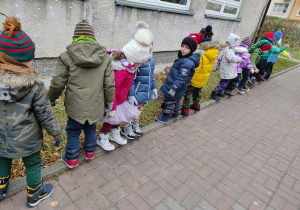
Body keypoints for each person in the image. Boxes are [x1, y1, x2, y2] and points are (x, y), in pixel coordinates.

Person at [0, 12, 62, 208]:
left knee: (2, 157)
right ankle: (35, 194)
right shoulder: (35, 86)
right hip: (28, 139)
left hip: (1, 135)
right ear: (22, 61)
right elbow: (45, 113)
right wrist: (56, 132)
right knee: (33, 164)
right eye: (30, 59)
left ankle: (1, 187)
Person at [48, 20, 115, 168]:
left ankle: (71, 159)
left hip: (75, 104)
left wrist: (51, 98)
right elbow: (109, 83)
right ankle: (90, 153)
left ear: (75, 38)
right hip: (95, 103)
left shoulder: (66, 56)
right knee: (91, 126)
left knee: (73, 130)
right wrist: (110, 102)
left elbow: (58, 82)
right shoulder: (105, 58)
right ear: (93, 38)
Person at [97, 21, 152, 151]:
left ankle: (114, 134)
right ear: (133, 59)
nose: (142, 64)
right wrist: (112, 107)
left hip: (121, 100)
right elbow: (113, 89)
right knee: (110, 120)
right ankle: (102, 137)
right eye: (141, 61)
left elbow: (126, 87)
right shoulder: (120, 71)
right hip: (113, 102)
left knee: (118, 120)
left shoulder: (129, 68)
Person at [155, 36, 203, 123]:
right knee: (176, 101)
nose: (183, 49)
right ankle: (176, 114)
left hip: (175, 86)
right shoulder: (185, 59)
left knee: (169, 101)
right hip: (177, 86)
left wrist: (174, 88)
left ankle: (165, 117)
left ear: (191, 50)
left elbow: (182, 78)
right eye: (182, 46)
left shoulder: (187, 62)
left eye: (187, 48)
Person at [124, 25, 157, 139]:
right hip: (136, 92)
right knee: (131, 111)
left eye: (151, 44)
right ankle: (127, 127)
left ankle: (135, 124)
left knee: (138, 111)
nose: (149, 46)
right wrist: (131, 94)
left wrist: (153, 87)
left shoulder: (151, 58)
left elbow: (151, 75)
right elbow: (131, 79)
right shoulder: (136, 58)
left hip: (145, 91)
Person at [181, 39, 219, 116]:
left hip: (195, 79)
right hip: (203, 79)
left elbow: (196, 70)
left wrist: (190, 80)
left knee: (188, 93)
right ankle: (196, 105)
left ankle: (185, 109)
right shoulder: (213, 55)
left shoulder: (201, 55)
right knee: (197, 92)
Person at [210, 33, 243, 101]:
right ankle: (214, 93)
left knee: (224, 82)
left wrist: (215, 68)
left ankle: (219, 92)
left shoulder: (224, 49)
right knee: (224, 83)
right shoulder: (229, 50)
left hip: (226, 69)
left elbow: (219, 59)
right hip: (227, 70)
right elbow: (231, 58)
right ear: (232, 43)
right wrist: (239, 59)